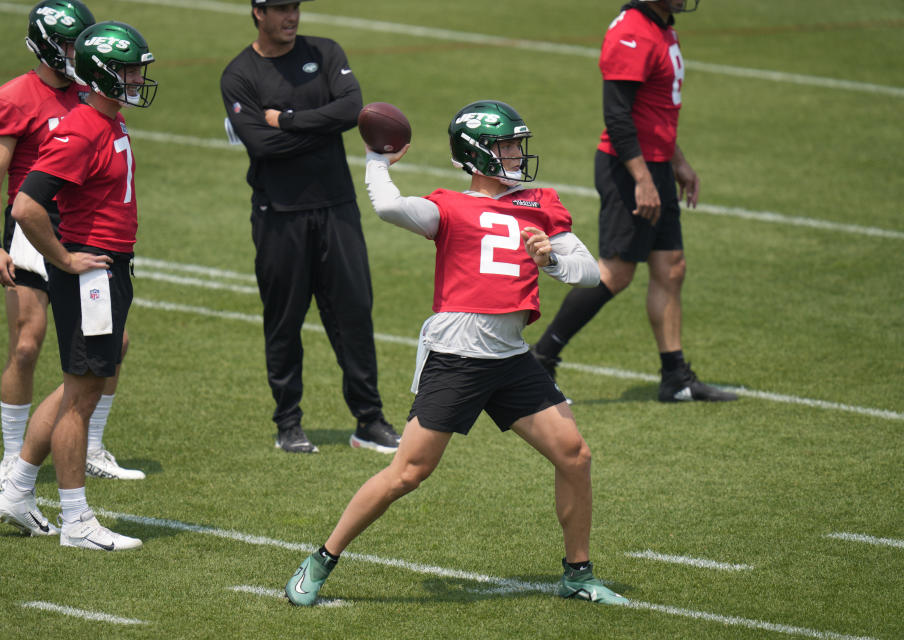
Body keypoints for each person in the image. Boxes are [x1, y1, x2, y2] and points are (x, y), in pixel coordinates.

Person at [284, 100, 627, 606]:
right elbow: (387, 207)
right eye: (507, 145)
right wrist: (378, 160)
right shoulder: (449, 206)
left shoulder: (540, 203)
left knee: (574, 455)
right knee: (409, 472)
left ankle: (577, 574)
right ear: (478, 156)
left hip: (510, 357)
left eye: (516, 144)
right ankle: (321, 559)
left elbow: (592, 273)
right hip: (457, 354)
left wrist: (550, 259)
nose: (517, 154)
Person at [0, 20, 158, 550]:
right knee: (80, 399)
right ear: (103, 74)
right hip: (92, 275)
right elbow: (25, 205)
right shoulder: (84, 128)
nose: (136, 78)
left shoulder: (106, 121)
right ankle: (76, 522)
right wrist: (63, 259)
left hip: (108, 269)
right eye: (129, 70)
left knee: (74, 387)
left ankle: (18, 490)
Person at [530, 0, 737, 403]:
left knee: (671, 268)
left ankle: (675, 378)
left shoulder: (661, 25)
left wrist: (678, 162)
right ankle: (541, 359)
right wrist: (642, 178)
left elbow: (654, 110)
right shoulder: (633, 32)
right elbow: (618, 115)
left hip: (655, 165)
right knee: (615, 273)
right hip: (628, 169)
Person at [220, 0, 399, 454]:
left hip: (337, 208)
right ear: (257, 12)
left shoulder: (325, 52)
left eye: (294, 6)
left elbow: (353, 111)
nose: (291, 16)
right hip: (279, 215)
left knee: (354, 315)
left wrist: (289, 120)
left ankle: (369, 420)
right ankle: (288, 424)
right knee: (284, 321)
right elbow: (260, 144)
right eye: (280, 8)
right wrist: (323, 124)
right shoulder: (239, 75)